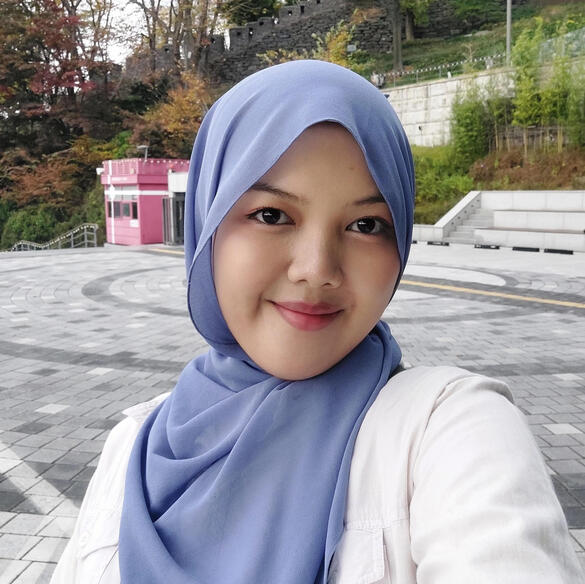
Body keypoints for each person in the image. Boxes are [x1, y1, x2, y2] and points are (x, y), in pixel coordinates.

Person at [51, 60, 582, 584]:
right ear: (207, 225)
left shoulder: (447, 431)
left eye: (366, 225)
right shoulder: (131, 448)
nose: (317, 269)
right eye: (272, 215)